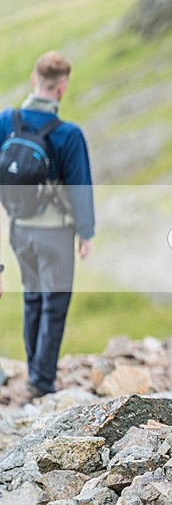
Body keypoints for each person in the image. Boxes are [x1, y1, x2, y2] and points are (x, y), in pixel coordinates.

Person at [0, 51, 95, 398]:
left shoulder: (4, 122)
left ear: (33, 80)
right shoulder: (69, 135)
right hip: (54, 232)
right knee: (54, 304)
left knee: (32, 298)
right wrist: (86, 232)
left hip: (18, 229)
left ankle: (34, 373)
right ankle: (41, 382)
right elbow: (80, 187)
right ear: (63, 88)